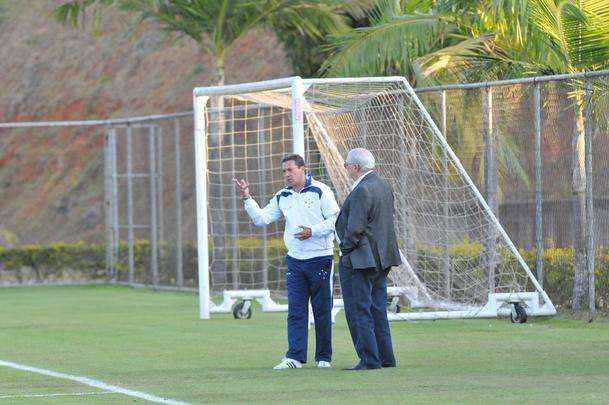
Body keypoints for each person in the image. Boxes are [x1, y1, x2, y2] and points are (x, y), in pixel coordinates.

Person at [233, 154, 340, 370]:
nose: (287, 175)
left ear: (303, 169)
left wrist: (313, 231)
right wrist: (247, 197)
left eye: (290, 170)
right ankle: (295, 357)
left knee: (321, 310)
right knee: (296, 310)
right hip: (295, 261)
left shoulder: (321, 191)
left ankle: (324, 358)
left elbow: (335, 220)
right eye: (284, 171)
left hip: (320, 259)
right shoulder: (283, 195)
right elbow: (261, 218)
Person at [335, 148, 401, 370]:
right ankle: (386, 358)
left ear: (355, 167)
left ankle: (369, 360)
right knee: (377, 309)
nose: (345, 168)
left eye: (347, 165)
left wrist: (345, 249)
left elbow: (355, 228)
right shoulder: (383, 185)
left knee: (359, 309)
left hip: (361, 260)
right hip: (382, 259)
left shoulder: (362, 189)